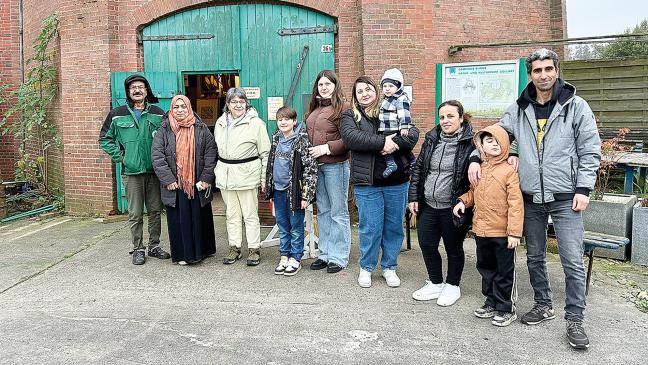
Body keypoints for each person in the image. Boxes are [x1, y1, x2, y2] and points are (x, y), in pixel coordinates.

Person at [468, 48, 601, 349]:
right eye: (537, 70)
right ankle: (544, 304)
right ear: (530, 75)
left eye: (548, 69)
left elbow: (590, 149)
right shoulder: (520, 108)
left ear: (556, 71)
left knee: (571, 260)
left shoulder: (575, 106)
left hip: (566, 195)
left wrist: (583, 188)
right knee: (534, 256)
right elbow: (497, 135)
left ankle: (575, 319)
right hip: (530, 196)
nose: (543, 75)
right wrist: (476, 158)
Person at [341, 76, 419, 288]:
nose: (365, 94)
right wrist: (384, 141)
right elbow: (352, 138)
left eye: (368, 89)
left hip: (397, 182)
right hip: (367, 183)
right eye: (360, 91)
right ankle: (366, 267)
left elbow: (412, 133)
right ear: (355, 96)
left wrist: (394, 143)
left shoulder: (390, 107)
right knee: (370, 227)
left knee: (394, 227)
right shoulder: (350, 115)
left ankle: (389, 267)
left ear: (376, 91)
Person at [452, 125, 523, 327]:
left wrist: (514, 233)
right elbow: (475, 194)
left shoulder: (509, 171)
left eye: (497, 141)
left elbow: (516, 204)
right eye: (488, 141)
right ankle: (491, 301)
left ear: (506, 145)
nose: (493, 144)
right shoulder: (480, 169)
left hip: (503, 233)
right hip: (482, 231)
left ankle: (505, 307)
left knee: (504, 271)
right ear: (481, 146)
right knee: (486, 268)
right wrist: (462, 201)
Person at [408, 100, 475, 306]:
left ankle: (452, 285)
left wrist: (476, 159)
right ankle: (435, 282)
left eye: (450, 116)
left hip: (453, 206)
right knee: (426, 244)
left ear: (461, 118)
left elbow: (480, 157)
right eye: (442, 117)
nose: (445, 121)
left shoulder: (470, 142)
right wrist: (413, 197)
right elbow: (419, 169)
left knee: (453, 247)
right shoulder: (432, 138)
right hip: (428, 204)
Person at [99, 75, 171, 265]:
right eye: (133, 88)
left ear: (147, 91)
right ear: (128, 92)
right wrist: (122, 157)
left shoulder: (157, 112)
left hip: (154, 171)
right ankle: (138, 248)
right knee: (135, 213)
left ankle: (154, 246)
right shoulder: (116, 114)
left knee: (155, 211)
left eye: (141, 87)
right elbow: (105, 139)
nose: (137, 90)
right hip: (131, 172)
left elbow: (168, 139)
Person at [152, 95, 218, 265]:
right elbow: (157, 156)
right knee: (180, 220)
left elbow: (210, 154)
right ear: (171, 110)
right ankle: (184, 255)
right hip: (176, 184)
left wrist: (206, 178)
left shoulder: (201, 129)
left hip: (197, 184)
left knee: (199, 218)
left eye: (183, 106)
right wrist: (168, 179)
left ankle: (202, 252)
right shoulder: (164, 130)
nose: (180, 110)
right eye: (176, 107)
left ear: (189, 108)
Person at [214, 88, 271, 266]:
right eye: (234, 102)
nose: (238, 105)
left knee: (250, 215)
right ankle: (235, 247)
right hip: (226, 175)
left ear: (246, 104)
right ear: (228, 105)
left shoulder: (256, 123)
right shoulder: (221, 122)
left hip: (247, 175)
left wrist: (264, 179)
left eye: (241, 101)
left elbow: (266, 153)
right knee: (231, 214)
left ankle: (254, 249)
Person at [305, 70, 352, 274]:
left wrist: (326, 148)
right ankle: (324, 253)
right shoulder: (314, 110)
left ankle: (339, 256)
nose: (323, 87)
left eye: (328, 84)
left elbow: (350, 139)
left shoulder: (344, 108)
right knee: (322, 211)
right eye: (321, 84)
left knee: (338, 212)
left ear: (335, 86)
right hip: (318, 168)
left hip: (336, 166)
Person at [264, 106, 318, 276]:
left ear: (294, 121)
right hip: (278, 191)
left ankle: (296, 257)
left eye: (287, 119)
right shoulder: (276, 139)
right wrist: (268, 185)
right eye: (280, 119)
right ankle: (284, 255)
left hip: (294, 192)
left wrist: (306, 195)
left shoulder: (301, 140)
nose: (283, 122)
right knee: (282, 224)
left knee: (296, 226)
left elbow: (310, 168)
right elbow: (271, 163)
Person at [379, 68, 413, 178]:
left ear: (398, 87)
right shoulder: (386, 99)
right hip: (385, 127)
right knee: (384, 145)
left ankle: (408, 161)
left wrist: (404, 126)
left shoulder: (401, 98)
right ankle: (394, 163)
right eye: (385, 86)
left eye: (391, 86)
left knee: (393, 145)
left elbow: (404, 113)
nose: (387, 89)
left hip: (393, 128)